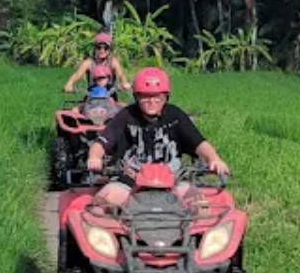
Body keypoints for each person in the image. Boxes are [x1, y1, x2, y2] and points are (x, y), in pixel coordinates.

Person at [86, 67, 229, 206]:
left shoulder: (175, 116)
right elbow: (101, 143)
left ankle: (193, 231)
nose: (151, 101)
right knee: (101, 204)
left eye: (157, 96)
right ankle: (115, 230)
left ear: (166, 97)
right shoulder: (126, 116)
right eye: (145, 96)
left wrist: (214, 159)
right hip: (129, 182)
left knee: (199, 204)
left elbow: (199, 143)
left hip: (174, 181)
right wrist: (95, 157)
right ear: (136, 97)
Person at [64, 31, 132, 96]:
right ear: (95, 48)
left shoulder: (113, 62)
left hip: (110, 96)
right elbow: (77, 74)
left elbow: (121, 75)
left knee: (123, 107)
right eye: (99, 47)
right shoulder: (88, 63)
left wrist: (124, 82)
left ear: (110, 49)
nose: (102, 51)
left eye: (106, 48)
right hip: (91, 96)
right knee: (77, 108)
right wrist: (69, 83)